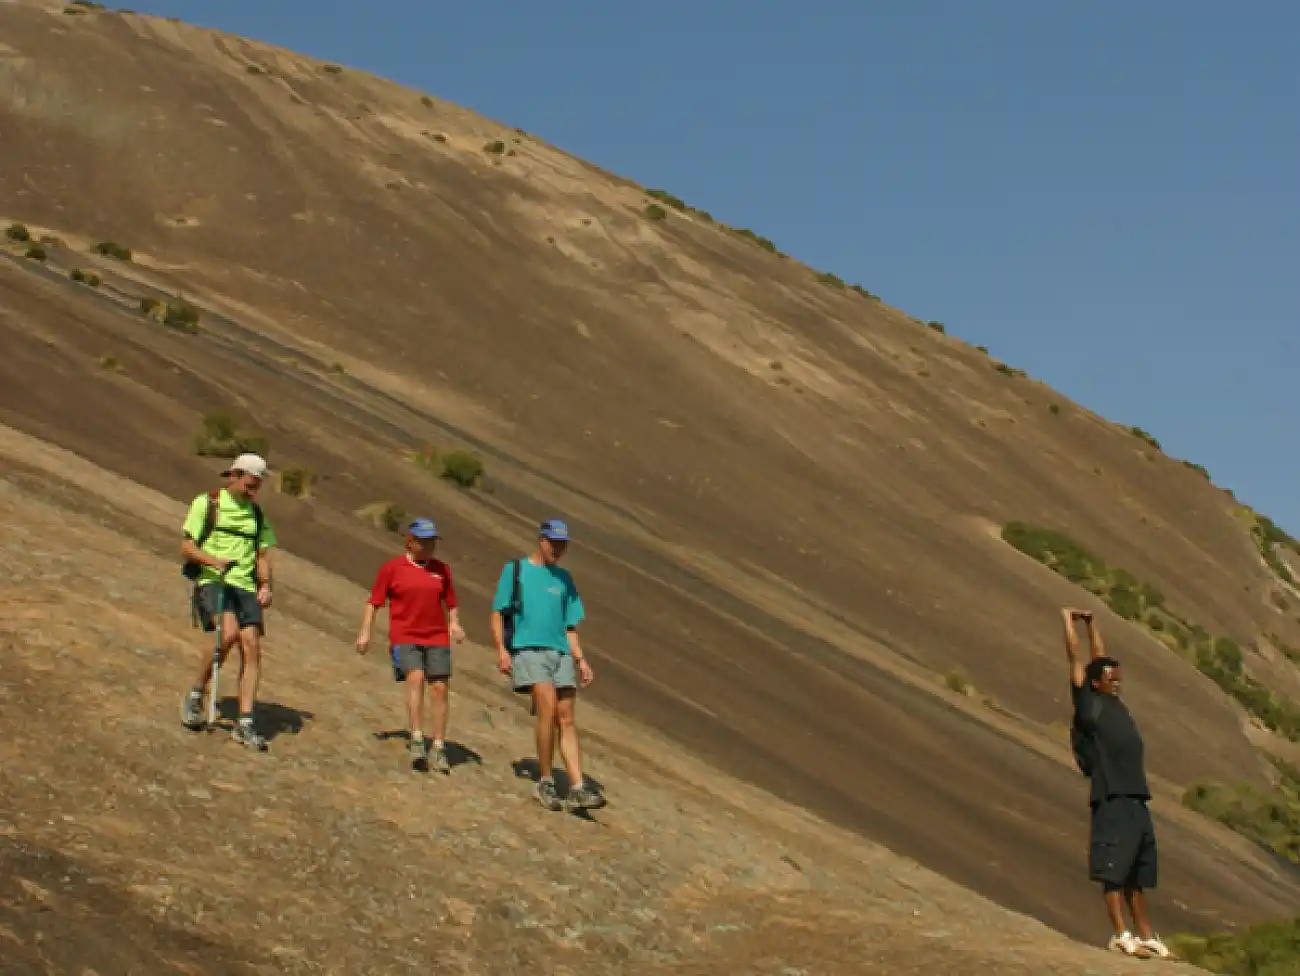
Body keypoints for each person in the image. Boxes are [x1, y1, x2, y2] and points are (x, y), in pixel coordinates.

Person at [1063, 607, 1171, 959]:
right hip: (1111, 795)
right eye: (1111, 678)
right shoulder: (1087, 704)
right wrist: (1069, 621)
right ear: (1096, 683)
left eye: (1117, 677)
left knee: (1136, 874)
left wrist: (1094, 623)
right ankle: (1121, 934)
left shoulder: (1112, 701)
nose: (1116, 681)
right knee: (1113, 868)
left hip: (1136, 798)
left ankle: (1147, 935)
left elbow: (1099, 657)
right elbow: (1077, 658)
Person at [491, 519, 604, 813]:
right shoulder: (516, 570)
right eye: (553, 542)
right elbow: (498, 612)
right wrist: (502, 650)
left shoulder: (564, 580)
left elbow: (570, 626)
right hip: (529, 650)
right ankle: (545, 779)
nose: (557, 549)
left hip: (560, 654)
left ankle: (578, 786)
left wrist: (580, 659)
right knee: (547, 707)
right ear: (541, 540)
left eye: (562, 544)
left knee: (565, 717)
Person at [180, 453, 277, 751]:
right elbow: (186, 546)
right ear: (234, 475)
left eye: (257, 487)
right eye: (249, 485)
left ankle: (245, 722)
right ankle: (197, 693)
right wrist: (213, 561)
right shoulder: (207, 504)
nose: (252, 492)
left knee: (252, 647)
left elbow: (261, 554)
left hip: (245, 586)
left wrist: (265, 586)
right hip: (213, 579)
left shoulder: (256, 514)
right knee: (228, 634)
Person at [356, 518, 464, 773]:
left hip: (436, 636)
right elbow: (374, 602)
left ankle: (438, 745)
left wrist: (454, 624)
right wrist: (365, 632)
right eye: (424, 542)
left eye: (433, 542)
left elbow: (451, 602)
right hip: (405, 635)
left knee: (439, 687)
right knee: (415, 677)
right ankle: (416, 737)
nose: (429, 547)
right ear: (410, 541)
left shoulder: (441, 570)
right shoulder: (392, 569)